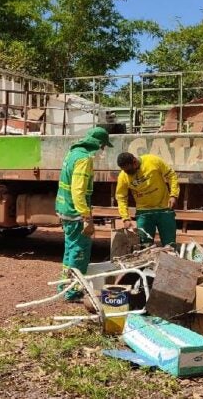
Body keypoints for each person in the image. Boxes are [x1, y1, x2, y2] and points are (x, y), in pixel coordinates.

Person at [55, 126, 113, 301]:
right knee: (79, 252)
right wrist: (86, 217)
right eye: (103, 146)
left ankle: (65, 286)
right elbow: (78, 191)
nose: (102, 150)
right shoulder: (84, 159)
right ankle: (73, 292)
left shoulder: (72, 153)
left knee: (70, 250)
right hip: (75, 212)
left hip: (65, 208)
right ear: (99, 144)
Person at [115, 152, 180, 249]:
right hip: (144, 214)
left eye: (129, 170)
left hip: (165, 210)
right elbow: (121, 197)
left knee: (170, 245)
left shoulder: (153, 161)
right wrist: (125, 218)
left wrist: (174, 195)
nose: (127, 173)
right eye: (124, 170)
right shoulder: (123, 176)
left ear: (134, 161)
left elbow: (171, 175)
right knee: (145, 247)